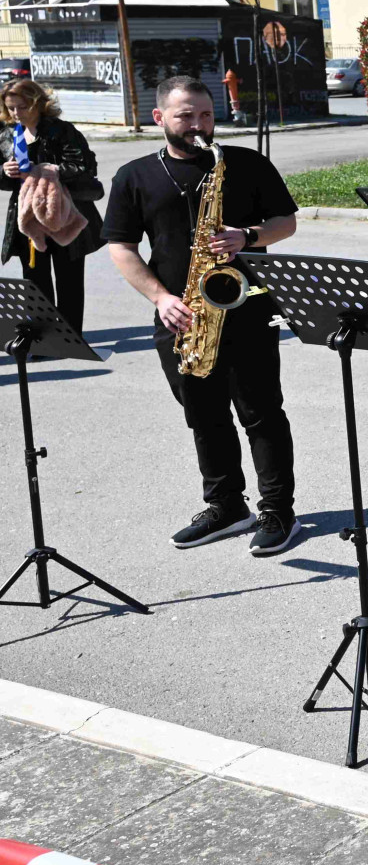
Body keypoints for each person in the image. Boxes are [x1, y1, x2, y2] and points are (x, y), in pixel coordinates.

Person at [103, 76, 302, 556]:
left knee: (261, 414)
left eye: (206, 115)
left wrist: (247, 236)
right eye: (186, 115)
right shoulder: (134, 175)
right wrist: (160, 298)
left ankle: (278, 511)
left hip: (247, 309)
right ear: (159, 119)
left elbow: (287, 222)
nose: (199, 125)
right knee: (205, 416)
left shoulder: (246, 164)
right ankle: (227, 506)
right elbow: (121, 248)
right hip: (181, 315)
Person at [0, 78, 102, 335]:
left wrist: (44, 171)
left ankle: (69, 336)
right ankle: (42, 338)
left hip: (63, 215)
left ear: (37, 103)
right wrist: (4, 171)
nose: (16, 113)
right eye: (10, 107)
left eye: (22, 107)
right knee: (34, 279)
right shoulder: (6, 134)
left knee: (69, 279)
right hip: (28, 217)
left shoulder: (60, 130)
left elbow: (84, 166)